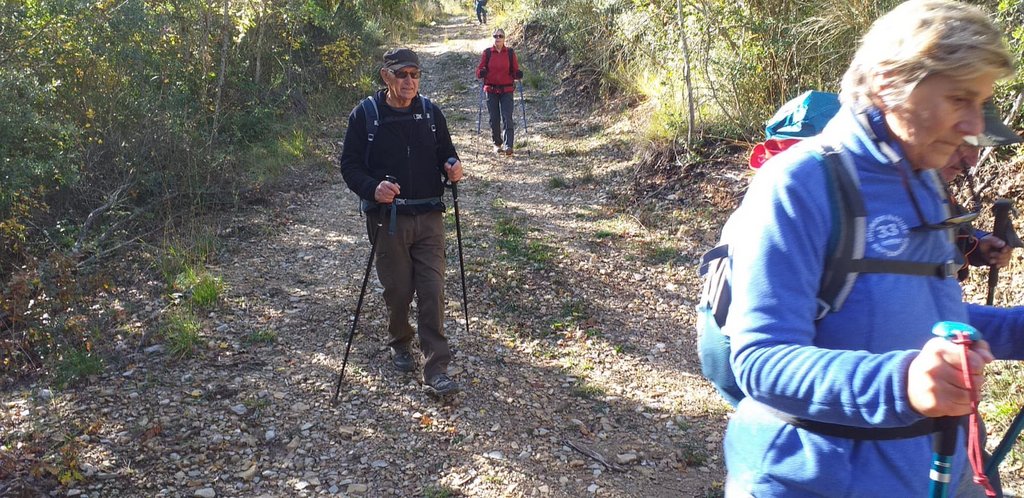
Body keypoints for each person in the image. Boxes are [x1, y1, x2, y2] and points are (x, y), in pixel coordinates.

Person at [718, 1, 1024, 496]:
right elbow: (761, 360)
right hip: (812, 479)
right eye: (960, 100)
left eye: (981, 102)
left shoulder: (922, 178)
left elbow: (913, 311)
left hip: (932, 470)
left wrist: (1015, 330)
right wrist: (903, 382)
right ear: (889, 81)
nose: (974, 125)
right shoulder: (801, 183)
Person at [339, 48, 464, 396]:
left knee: (432, 291)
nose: (409, 81)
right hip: (387, 220)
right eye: (402, 74)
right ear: (386, 76)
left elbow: (446, 153)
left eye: (415, 74)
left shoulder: (430, 113)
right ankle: (399, 339)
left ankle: (436, 368)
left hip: (429, 215)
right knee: (397, 290)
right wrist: (372, 188)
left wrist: (453, 166)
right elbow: (349, 165)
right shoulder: (365, 115)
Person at [476, 28, 522, 155]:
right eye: (495, 36)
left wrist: (518, 74)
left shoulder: (510, 53)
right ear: (493, 38)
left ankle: (509, 145)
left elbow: (515, 71)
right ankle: (497, 144)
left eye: (500, 36)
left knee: (507, 116)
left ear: (504, 38)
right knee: (494, 118)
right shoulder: (487, 53)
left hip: (506, 89)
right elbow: (479, 71)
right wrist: (482, 73)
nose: (498, 38)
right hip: (491, 90)